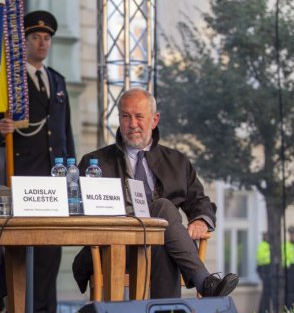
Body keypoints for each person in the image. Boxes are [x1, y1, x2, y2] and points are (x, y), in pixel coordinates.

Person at [72, 88, 239, 299]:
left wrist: (200, 221)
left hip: (162, 247)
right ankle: (198, 288)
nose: (132, 124)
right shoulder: (95, 163)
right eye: (126, 116)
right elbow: (75, 208)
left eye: (139, 117)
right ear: (119, 119)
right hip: (113, 249)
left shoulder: (177, 162)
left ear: (154, 120)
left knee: (161, 232)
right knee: (163, 207)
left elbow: (199, 201)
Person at [0, 10, 75, 313]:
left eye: (47, 39)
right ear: (25, 41)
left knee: (50, 253)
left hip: (54, 182)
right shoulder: (10, 80)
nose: (42, 44)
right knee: (20, 253)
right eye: (35, 38)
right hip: (24, 180)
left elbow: (64, 133)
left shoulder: (56, 80)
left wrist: (73, 178)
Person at [256, 232, 271, 313]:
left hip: (267, 269)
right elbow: (264, 258)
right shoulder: (263, 245)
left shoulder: (268, 245)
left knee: (268, 293)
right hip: (264, 269)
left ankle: (266, 312)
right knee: (266, 293)